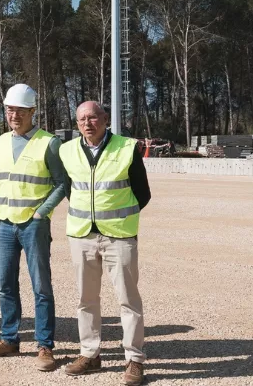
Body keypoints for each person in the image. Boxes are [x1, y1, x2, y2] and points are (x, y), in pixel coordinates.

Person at [60, 101, 151, 386]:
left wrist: (119, 219)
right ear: (77, 124)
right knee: (86, 300)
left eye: (93, 117)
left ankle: (134, 359)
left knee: (128, 300)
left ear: (105, 119)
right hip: (82, 236)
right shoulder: (67, 151)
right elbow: (68, 188)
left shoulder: (126, 148)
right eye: (82, 119)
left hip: (119, 236)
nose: (88, 123)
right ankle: (90, 354)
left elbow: (142, 193)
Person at [0, 84, 67, 371]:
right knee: (5, 284)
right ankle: (9, 339)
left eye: (19, 110)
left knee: (41, 286)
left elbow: (62, 183)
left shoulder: (49, 142)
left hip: (33, 225)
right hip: (4, 224)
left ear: (32, 111)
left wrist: (42, 212)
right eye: (9, 109)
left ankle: (44, 346)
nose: (13, 115)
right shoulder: (1, 142)